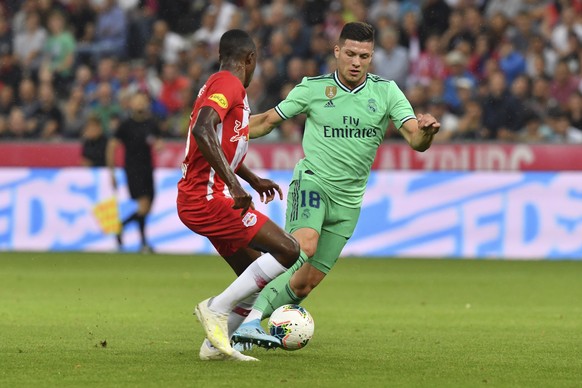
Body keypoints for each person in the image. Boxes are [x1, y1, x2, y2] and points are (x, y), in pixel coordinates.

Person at [232, 22, 440, 347]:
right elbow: (267, 121)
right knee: (304, 246)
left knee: (303, 285)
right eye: (352, 54)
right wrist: (224, 131)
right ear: (337, 52)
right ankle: (249, 321)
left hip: (348, 202)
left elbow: (416, 139)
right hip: (312, 183)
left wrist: (426, 130)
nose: (357, 62)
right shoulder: (313, 89)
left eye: (365, 56)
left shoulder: (386, 92)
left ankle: (244, 322)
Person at [176, 29, 306, 361]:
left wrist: (250, 177)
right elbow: (202, 129)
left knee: (251, 275)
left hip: (206, 197)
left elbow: (221, 145)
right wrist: (235, 186)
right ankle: (216, 308)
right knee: (289, 250)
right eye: (256, 62)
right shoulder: (228, 84)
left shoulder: (220, 85)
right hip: (207, 199)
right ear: (249, 59)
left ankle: (214, 347)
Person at [106, 91, 161, 254]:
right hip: (133, 169)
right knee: (143, 205)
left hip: (148, 169)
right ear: (131, 103)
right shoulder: (126, 125)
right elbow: (111, 146)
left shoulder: (152, 123)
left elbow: (158, 141)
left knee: (147, 207)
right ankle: (143, 243)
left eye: (142, 100)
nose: (139, 103)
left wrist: (159, 145)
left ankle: (121, 228)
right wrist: (112, 172)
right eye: (136, 100)